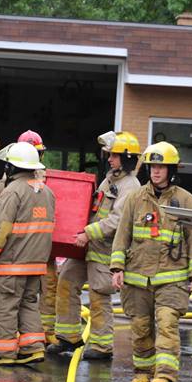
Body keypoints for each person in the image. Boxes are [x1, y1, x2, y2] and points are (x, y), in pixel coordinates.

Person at [110, 141, 192, 382]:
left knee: (166, 325)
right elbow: (122, 235)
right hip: (138, 280)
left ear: (171, 169)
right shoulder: (135, 198)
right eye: (153, 166)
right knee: (140, 329)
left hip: (172, 280)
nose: (156, 171)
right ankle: (142, 373)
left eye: (161, 166)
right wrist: (117, 268)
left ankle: (164, 378)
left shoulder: (186, 200)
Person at [48, 130, 142, 360]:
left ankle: (102, 346)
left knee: (99, 295)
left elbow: (118, 220)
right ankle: (68, 337)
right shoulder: (109, 179)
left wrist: (88, 233)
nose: (109, 159)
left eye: (114, 155)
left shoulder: (131, 186)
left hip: (105, 250)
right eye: (109, 154)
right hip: (88, 245)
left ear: (127, 158)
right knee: (66, 281)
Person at [0, 141, 56, 365]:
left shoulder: (12, 191)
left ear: (12, 167)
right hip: (36, 264)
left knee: (6, 305)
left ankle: (4, 353)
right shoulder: (47, 192)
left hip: (12, 263)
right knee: (28, 304)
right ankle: (33, 347)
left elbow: (2, 228)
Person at [15, 129, 59, 344]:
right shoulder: (11, 180)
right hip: (19, 248)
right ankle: (13, 333)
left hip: (43, 247)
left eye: (37, 152)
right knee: (15, 293)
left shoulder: (49, 179)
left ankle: (46, 332)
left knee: (49, 288)